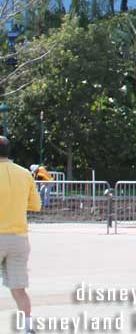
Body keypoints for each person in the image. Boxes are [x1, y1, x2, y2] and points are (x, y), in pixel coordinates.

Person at [1, 136, 42, 334]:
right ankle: (27, 326)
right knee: (18, 288)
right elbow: (36, 205)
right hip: (18, 237)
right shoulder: (24, 174)